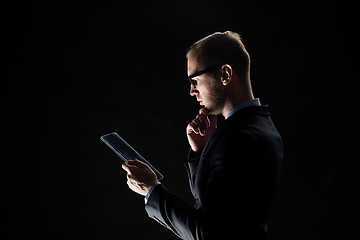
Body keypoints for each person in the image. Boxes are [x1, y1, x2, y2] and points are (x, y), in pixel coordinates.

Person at [121, 31, 283, 240]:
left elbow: (208, 232)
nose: (192, 91)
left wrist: (152, 190)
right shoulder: (256, 125)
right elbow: (216, 208)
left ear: (225, 74)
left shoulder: (239, 139)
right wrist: (203, 150)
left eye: (195, 80)